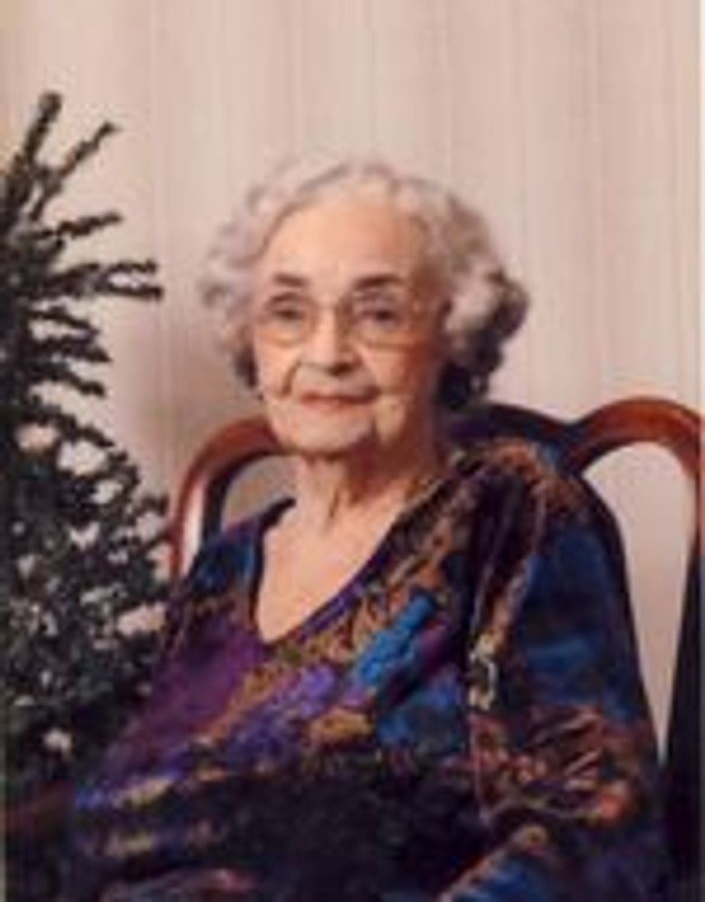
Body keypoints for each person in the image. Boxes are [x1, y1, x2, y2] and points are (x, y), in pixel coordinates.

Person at [67, 159, 666, 901]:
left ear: (451, 339)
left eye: (378, 314)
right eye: (288, 312)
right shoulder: (220, 570)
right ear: (251, 341)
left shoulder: (507, 509)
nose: (326, 353)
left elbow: (595, 827)